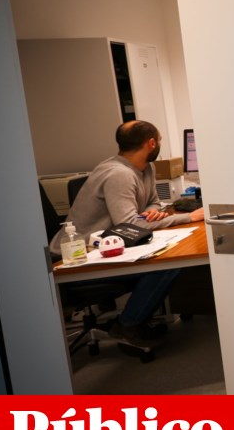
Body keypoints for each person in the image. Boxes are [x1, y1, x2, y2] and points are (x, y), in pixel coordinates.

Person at [50, 120, 205, 346]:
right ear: (151, 143)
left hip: (109, 244)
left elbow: (153, 202)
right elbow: (128, 224)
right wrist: (188, 217)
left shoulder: (145, 167)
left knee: (171, 255)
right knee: (166, 265)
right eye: (160, 140)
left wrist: (152, 212)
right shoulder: (118, 174)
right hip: (79, 256)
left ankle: (136, 320)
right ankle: (128, 325)